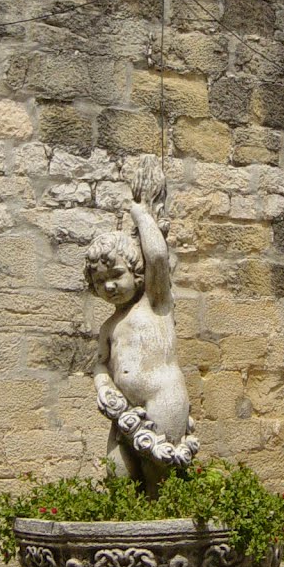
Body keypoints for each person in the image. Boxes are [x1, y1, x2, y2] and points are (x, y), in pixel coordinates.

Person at [84, 157, 197, 495]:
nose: (109, 287)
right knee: (118, 478)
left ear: (136, 272)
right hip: (124, 413)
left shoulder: (156, 303)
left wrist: (140, 213)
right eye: (100, 281)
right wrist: (103, 386)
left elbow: (158, 258)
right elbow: (101, 363)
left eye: (116, 275)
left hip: (162, 400)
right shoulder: (109, 325)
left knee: (158, 485)